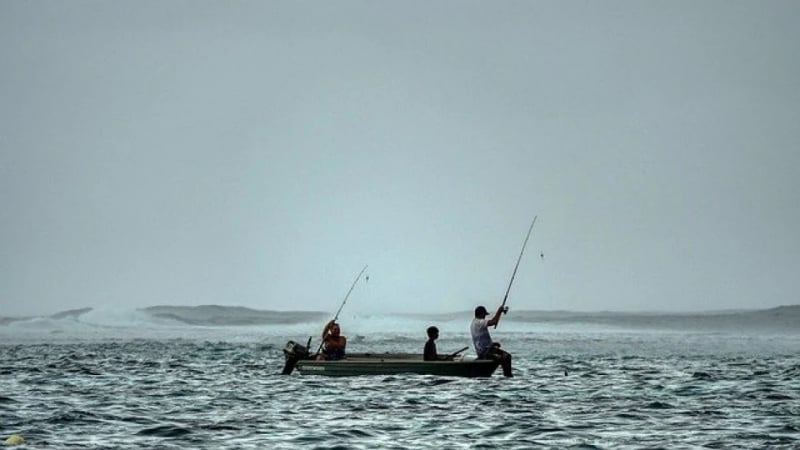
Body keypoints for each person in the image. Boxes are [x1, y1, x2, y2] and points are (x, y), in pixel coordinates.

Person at [470, 305, 513, 377]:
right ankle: (507, 376)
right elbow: (494, 322)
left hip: (489, 349)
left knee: (508, 356)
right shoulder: (479, 323)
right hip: (484, 352)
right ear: (481, 314)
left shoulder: (474, 323)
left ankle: (508, 376)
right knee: (503, 358)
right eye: (484, 315)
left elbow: (481, 339)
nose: (485, 317)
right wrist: (499, 311)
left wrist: (492, 344)